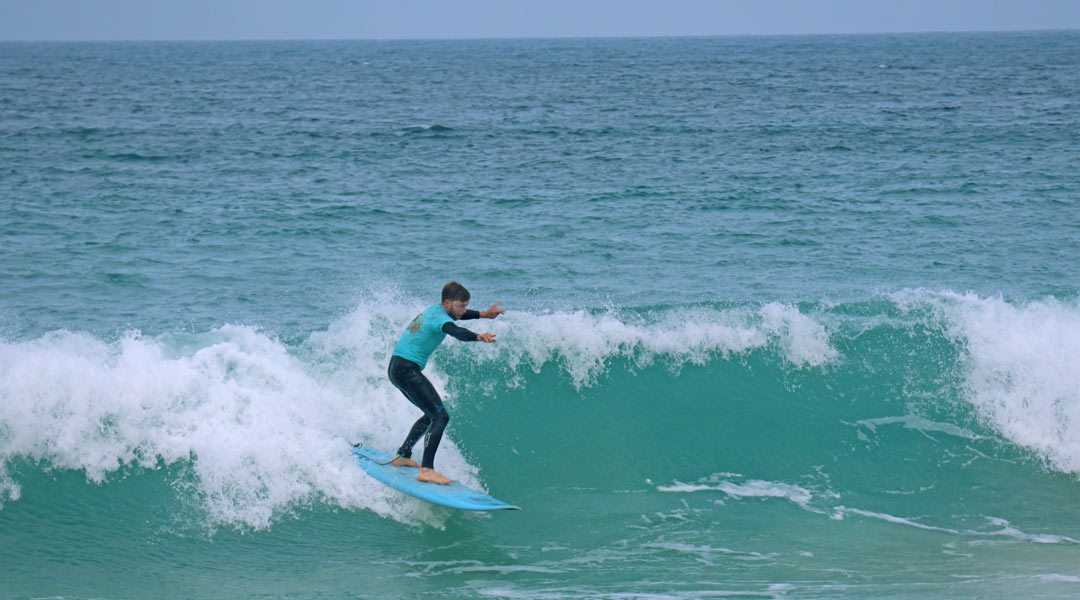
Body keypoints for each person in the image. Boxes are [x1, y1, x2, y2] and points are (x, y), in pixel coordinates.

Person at [388, 281, 504, 484]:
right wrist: (478, 336)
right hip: (407, 369)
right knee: (440, 417)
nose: (464, 311)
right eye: (461, 306)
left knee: (430, 415)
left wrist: (484, 314)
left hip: (397, 367)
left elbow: (458, 315)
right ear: (448, 302)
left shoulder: (436, 310)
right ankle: (427, 470)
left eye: (466, 306)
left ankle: (403, 455)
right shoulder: (440, 319)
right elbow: (456, 331)